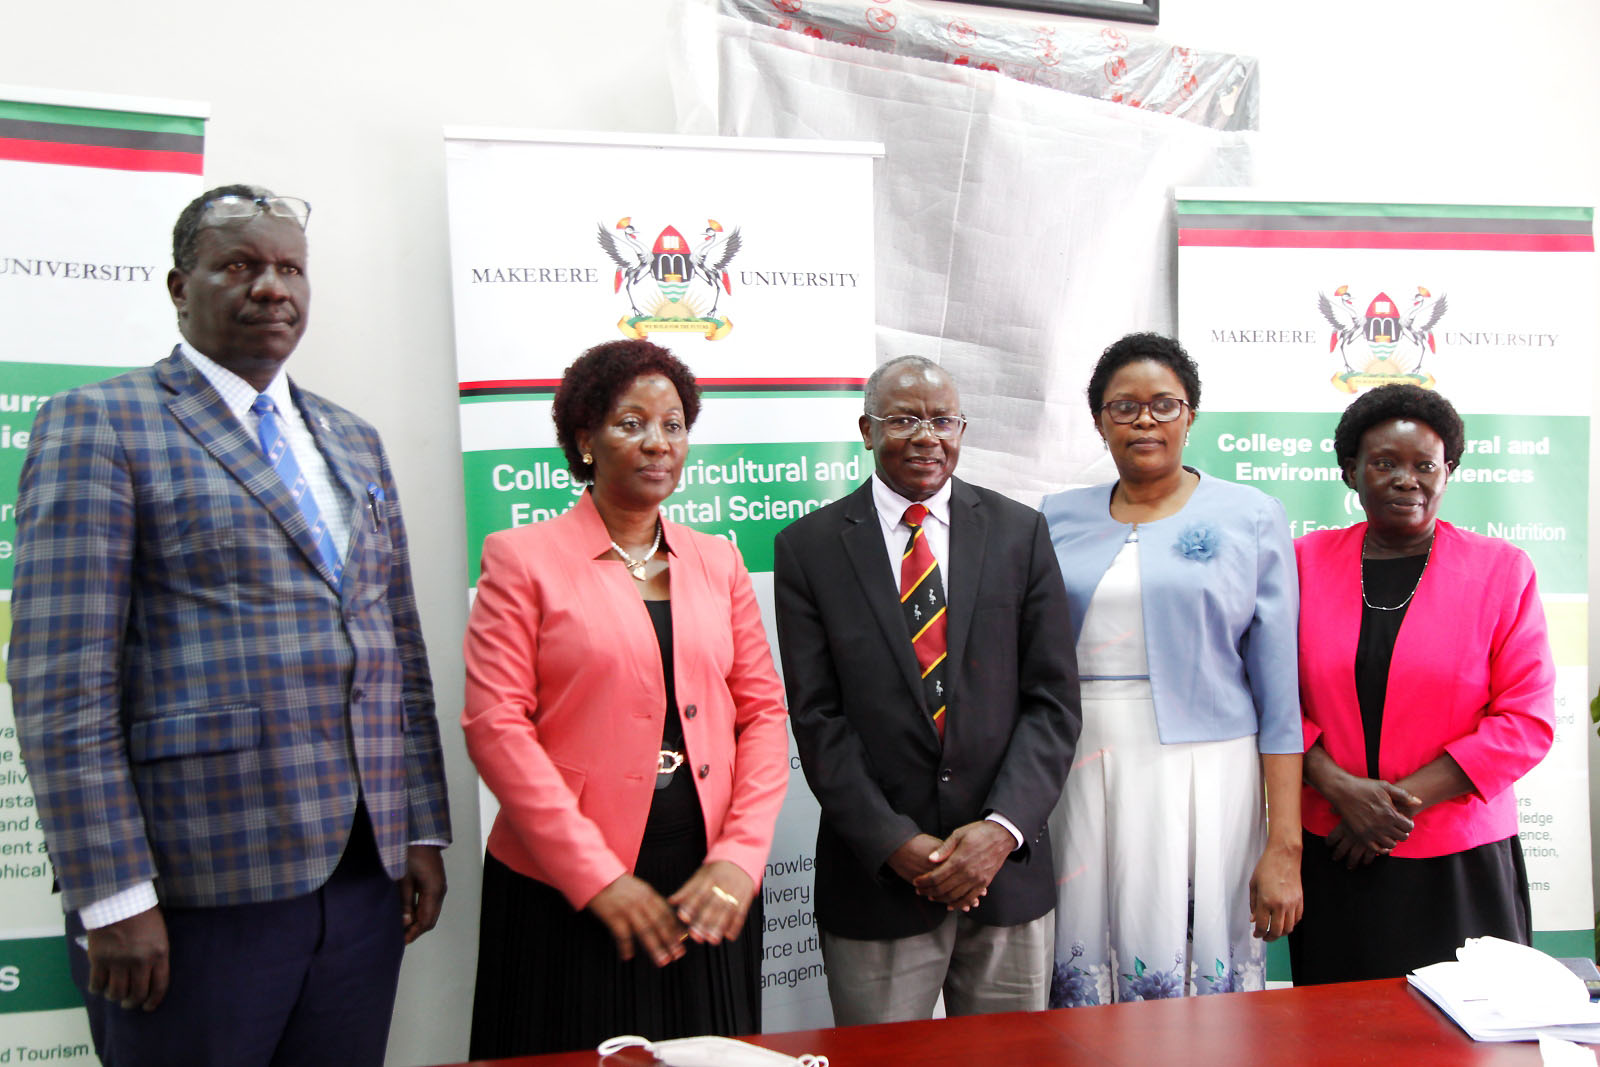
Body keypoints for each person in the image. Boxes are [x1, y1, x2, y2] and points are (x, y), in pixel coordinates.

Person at [8, 184, 451, 1067]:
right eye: (240, 265)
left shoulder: (352, 439)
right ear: (180, 286)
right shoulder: (100, 424)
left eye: (289, 267)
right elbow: (62, 682)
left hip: (361, 880)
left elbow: (396, 647)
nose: (271, 288)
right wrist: (110, 893)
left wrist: (420, 828)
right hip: (193, 889)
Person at [462, 339, 789, 1057]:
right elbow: (495, 727)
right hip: (565, 887)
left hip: (706, 883)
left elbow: (763, 712)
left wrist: (741, 856)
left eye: (673, 424)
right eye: (630, 423)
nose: (657, 442)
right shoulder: (521, 558)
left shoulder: (718, 558)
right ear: (585, 439)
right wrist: (597, 876)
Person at [773, 355, 1080, 1025]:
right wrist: (894, 843)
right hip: (878, 881)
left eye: (943, 419)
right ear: (866, 429)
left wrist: (1000, 831)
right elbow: (817, 718)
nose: (926, 436)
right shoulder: (809, 548)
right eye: (903, 419)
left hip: (1006, 875)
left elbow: (1053, 702)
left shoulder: (1019, 533)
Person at [1039, 332, 1302, 1006]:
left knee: (1195, 932)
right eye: (1123, 406)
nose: (1144, 419)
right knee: (1087, 924)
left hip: (1209, 768)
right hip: (1079, 760)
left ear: (1191, 414)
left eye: (1164, 403)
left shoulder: (1251, 515)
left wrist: (1285, 846)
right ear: (1100, 420)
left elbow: (1279, 697)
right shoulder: (1054, 516)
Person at [1289, 384, 1554, 983]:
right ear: (1350, 472)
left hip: (1458, 855)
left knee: (1469, 1035)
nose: (1406, 479)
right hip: (1336, 847)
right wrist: (1341, 791)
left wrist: (1391, 811)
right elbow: (1265, 694)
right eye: (1384, 463)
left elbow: (1526, 720)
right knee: (1340, 1033)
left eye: (1424, 465)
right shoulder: (1300, 563)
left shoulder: (1501, 571)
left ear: (1448, 472)